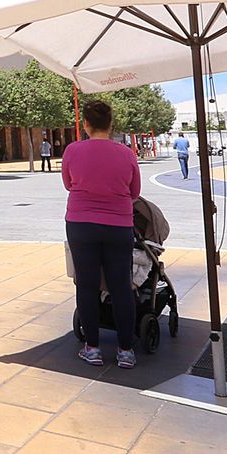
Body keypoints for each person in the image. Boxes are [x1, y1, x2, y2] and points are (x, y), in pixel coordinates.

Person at [63, 100, 142, 368]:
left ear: (85, 124)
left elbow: (67, 184)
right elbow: (134, 192)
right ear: (111, 124)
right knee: (121, 285)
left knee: (86, 285)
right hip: (119, 224)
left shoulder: (72, 151)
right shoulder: (126, 153)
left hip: (81, 223)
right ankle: (126, 350)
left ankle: (93, 347)